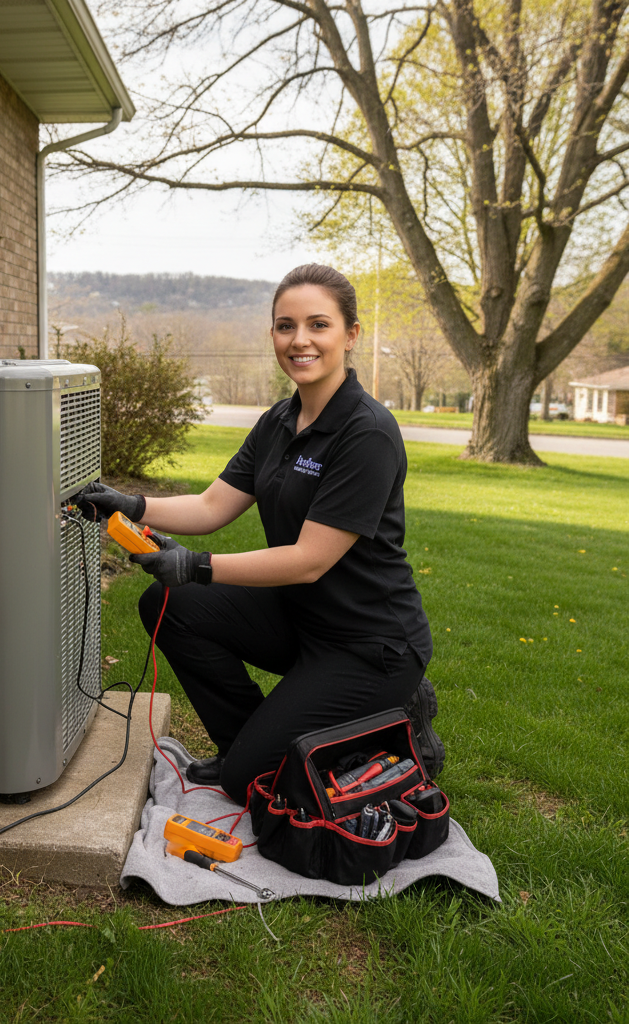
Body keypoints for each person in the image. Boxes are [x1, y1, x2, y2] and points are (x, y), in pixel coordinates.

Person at [74, 264, 442, 807]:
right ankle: (246, 744)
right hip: (300, 620)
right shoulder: (278, 421)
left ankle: (396, 722)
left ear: (351, 334)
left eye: (318, 324)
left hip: (370, 644)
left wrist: (198, 566)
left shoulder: (367, 432)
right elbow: (211, 505)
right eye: (285, 326)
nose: (300, 340)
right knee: (169, 605)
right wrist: (132, 504)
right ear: (272, 334)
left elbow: (309, 560)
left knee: (252, 785)